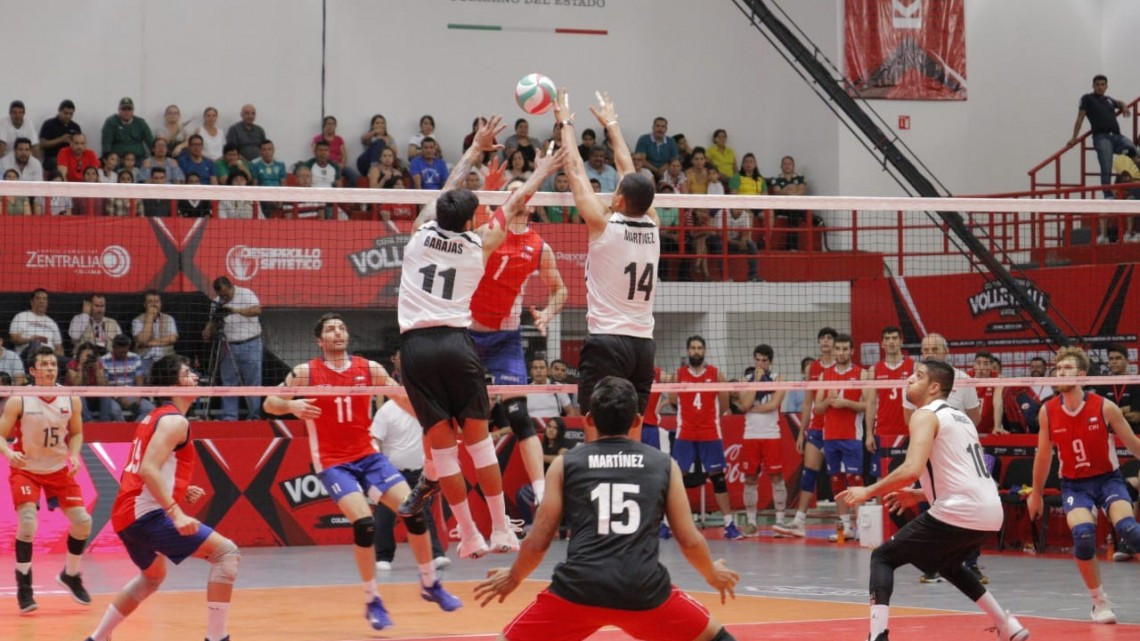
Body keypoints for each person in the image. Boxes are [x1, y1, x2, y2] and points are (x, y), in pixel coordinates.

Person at [474, 376, 740, 641]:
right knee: (717, 638)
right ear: (637, 421)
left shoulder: (565, 464)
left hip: (579, 589)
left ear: (588, 420)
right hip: (643, 591)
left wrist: (514, 577)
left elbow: (539, 538)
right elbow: (689, 539)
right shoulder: (663, 464)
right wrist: (712, 574)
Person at [263, 314, 462, 630]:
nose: (338, 332)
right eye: (330, 328)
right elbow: (270, 402)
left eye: (341, 327)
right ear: (319, 341)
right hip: (332, 461)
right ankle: (373, 601)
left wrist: (437, 421)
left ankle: (430, 584)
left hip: (369, 456)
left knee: (413, 511)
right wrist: (291, 407)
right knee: (365, 523)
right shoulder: (306, 372)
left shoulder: (368, 369)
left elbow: (402, 399)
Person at [395, 115, 527, 559]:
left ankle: (467, 535)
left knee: (445, 453)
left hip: (415, 348)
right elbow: (512, 205)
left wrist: (475, 148)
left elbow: (448, 188)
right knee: (480, 444)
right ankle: (502, 530)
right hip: (456, 342)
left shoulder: (418, 235)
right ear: (471, 218)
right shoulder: (480, 246)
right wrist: (542, 171)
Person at [836, 359, 1029, 641]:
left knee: (882, 557)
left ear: (934, 387)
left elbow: (912, 468)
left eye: (918, 376)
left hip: (959, 510)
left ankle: (877, 637)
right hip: (990, 512)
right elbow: (958, 473)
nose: (909, 380)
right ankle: (1008, 624)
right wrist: (917, 494)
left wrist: (868, 490)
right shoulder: (961, 418)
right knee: (948, 565)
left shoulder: (925, 414)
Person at [85, 354, 238, 641]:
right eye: (187, 373)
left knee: (152, 577)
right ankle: (217, 638)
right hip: (146, 515)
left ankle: (97, 638)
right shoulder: (174, 422)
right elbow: (148, 469)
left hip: (126, 515)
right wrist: (176, 512)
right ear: (172, 384)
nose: (195, 377)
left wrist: (177, 493)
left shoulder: (154, 418)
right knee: (226, 553)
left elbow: (145, 470)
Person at [553, 89, 661, 418]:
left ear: (621, 201)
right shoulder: (653, 222)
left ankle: (592, 471)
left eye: (617, 190)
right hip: (643, 344)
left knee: (593, 422)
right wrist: (612, 123)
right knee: (634, 423)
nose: (613, 191)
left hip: (607, 342)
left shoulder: (603, 223)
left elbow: (573, 168)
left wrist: (566, 123)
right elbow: (627, 168)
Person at [469, 155, 569, 507]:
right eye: (514, 195)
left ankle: (541, 493)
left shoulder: (540, 247)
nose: (521, 201)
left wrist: (546, 313)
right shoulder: (488, 231)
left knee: (518, 415)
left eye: (525, 196)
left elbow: (561, 290)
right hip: (467, 335)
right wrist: (490, 188)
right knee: (463, 417)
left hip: (506, 339)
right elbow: (474, 217)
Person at [1027, 347, 1140, 625]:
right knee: (1084, 535)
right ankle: (1099, 603)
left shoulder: (1104, 406)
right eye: (1057, 368)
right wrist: (1036, 494)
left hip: (1108, 479)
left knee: (1129, 529)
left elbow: (1133, 445)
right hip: (1075, 485)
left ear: (1080, 375)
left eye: (1066, 368)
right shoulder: (1048, 412)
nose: (1059, 372)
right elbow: (1043, 456)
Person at [0, 345, 90, 613]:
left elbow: (76, 434)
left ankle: (71, 575)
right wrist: (7, 453)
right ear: (31, 370)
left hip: (58, 470)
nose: (50, 369)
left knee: (83, 523)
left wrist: (74, 456)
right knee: (28, 523)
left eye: (53, 364)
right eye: (44, 365)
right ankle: (24, 589)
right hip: (26, 468)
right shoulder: (19, 399)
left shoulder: (70, 398)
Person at [369, 394, 450, 572]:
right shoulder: (387, 410)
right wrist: (378, 463)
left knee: (424, 515)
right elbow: (374, 439)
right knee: (384, 516)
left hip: (419, 472)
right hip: (392, 473)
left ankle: (436, 555)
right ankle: (383, 557)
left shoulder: (424, 407)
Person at [669, 336, 738, 539]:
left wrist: (708, 419)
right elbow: (674, 401)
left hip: (710, 432)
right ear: (688, 351)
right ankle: (665, 524)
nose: (696, 351)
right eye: (693, 348)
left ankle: (729, 525)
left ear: (704, 351)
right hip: (686, 433)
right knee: (676, 478)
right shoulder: (679, 375)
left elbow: (724, 405)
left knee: (718, 478)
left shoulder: (716, 374)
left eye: (700, 348)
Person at [775, 327, 837, 538]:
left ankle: (846, 522)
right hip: (817, 427)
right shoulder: (814, 368)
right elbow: (808, 401)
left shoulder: (841, 367)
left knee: (841, 476)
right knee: (809, 472)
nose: (826, 342)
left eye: (829, 338)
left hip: (838, 428)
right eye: (823, 339)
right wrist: (802, 431)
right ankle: (799, 521)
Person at [815, 333, 866, 541]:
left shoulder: (861, 374)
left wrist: (847, 404)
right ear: (833, 351)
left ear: (852, 351)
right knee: (837, 481)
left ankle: (862, 526)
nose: (842, 353)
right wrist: (828, 401)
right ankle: (845, 527)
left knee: (855, 482)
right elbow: (817, 409)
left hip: (852, 436)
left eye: (846, 349)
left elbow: (869, 405)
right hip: (831, 436)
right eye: (839, 349)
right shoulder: (824, 376)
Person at [735, 344, 788, 535]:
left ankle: (780, 521)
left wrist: (749, 408)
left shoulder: (778, 379)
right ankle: (751, 522)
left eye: (764, 360)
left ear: (770, 362)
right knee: (749, 478)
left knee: (776, 477)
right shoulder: (745, 380)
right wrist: (756, 383)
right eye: (757, 360)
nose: (760, 363)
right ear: (753, 360)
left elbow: (773, 405)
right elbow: (745, 403)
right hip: (751, 435)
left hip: (771, 434)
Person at [202, 276, 263, 420]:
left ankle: (254, 416)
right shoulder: (217, 302)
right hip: (228, 345)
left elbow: (257, 310)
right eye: (220, 295)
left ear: (230, 287)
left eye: (225, 294)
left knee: (252, 381)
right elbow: (213, 320)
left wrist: (235, 309)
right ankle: (229, 417)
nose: (223, 297)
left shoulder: (246, 293)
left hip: (250, 343)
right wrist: (207, 331)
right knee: (228, 382)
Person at [863, 326, 916, 490]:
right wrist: (869, 434)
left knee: (908, 478)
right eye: (887, 339)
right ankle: (881, 517)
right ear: (882, 344)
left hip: (908, 432)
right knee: (882, 482)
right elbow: (871, 403)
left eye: (894, 338)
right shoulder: (875, 370)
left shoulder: (914, 367)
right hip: (883, 432)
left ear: (901, 341)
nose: (891, 342)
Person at [1069, 74, 1138, 199]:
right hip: (1102, 137)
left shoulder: (1109, 100)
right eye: (1097, 85)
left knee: (1135, 150)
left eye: (1102, 85)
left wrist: (1124, 106)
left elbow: (1119, 102)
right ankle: (1108, 194)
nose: (1100, 87)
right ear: (1093, 86)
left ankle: (1132, 182)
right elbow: (1080, 118)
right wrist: (1074, 137)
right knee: (1106, 166)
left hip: (1117, 136)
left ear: (1106, 86)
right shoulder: (1087, 98)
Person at [1094, 343, 1140, 433]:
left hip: (1133, 435)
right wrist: (1124, 410)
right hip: (1108, 435)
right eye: (1111, 359)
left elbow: (1136, 417)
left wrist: (1112, 413)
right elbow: (1100, 416)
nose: (1114, 362)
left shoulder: (1136, 384)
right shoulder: (1102, 386)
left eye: (1118, 358)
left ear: (1127, 361)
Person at [132, 289, 179, 376]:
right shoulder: (137, 320)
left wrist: (149, 343)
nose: (154, 304)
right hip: (144, 358)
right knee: (143, 375)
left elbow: (172, 339)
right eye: (150, 302)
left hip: (166, 357)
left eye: (156, 302)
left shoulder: (169, 319)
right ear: (144, 305)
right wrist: (150, 316)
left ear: (160, 304)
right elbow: (142, 340)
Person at [9, 288, 65, 356]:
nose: (41, 301)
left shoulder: (52, 323)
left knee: (67, 361)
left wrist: (59, 358)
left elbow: (59, 347)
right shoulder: (21, 316)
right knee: (36, 343)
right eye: (38, 298)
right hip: (28, 354)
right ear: (32, 302)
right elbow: (14, 339)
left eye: (44, 299)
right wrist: (31, 339)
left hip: (49, 356)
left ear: (47, 303)